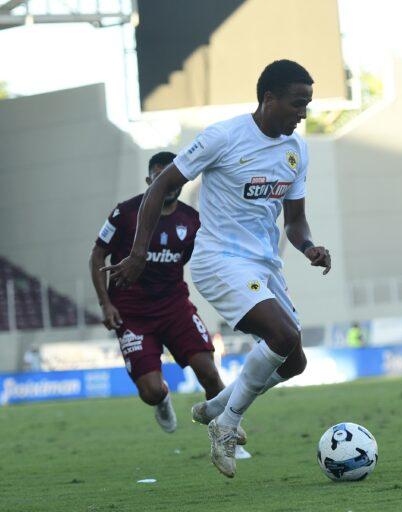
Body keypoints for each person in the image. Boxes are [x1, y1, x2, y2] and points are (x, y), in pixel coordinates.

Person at [102, 60, 331, 478]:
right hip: (219, 260)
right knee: (282, 335)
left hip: (264, 264)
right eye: (297, 104)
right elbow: (161, 187)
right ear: (269, 98)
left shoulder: (297, 150)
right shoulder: (223, 137)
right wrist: (138, 253)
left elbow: (295, 221)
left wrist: (309, 247)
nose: (303, 114)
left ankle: (216, 407)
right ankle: (226, 424)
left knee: (293, 362)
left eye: (307, 105)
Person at [89, 152, 249, 458]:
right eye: (159, 177)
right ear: (149, 180)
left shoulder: (192, 221)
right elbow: (97, 255)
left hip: (175, 308)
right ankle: (162, 399)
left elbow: (197, 259)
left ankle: (226, 435)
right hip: (132, 313)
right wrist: (105, 304)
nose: (167, 185)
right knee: (150, 391)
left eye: (172, 178)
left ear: (182, 180)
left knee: (209, 372)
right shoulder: (125, 213)